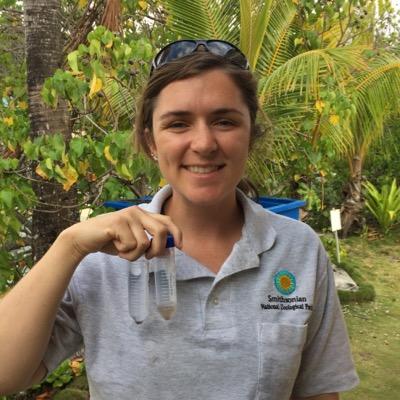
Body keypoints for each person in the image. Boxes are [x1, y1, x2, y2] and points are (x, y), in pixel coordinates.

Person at [0, 39, 359, 400]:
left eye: (224, 120)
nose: (203, 143)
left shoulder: (297, 249)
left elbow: (319, 390)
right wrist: (69, 245)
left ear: (250, 134)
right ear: (151, 141)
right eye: (178, 123)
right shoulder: (100, 258)